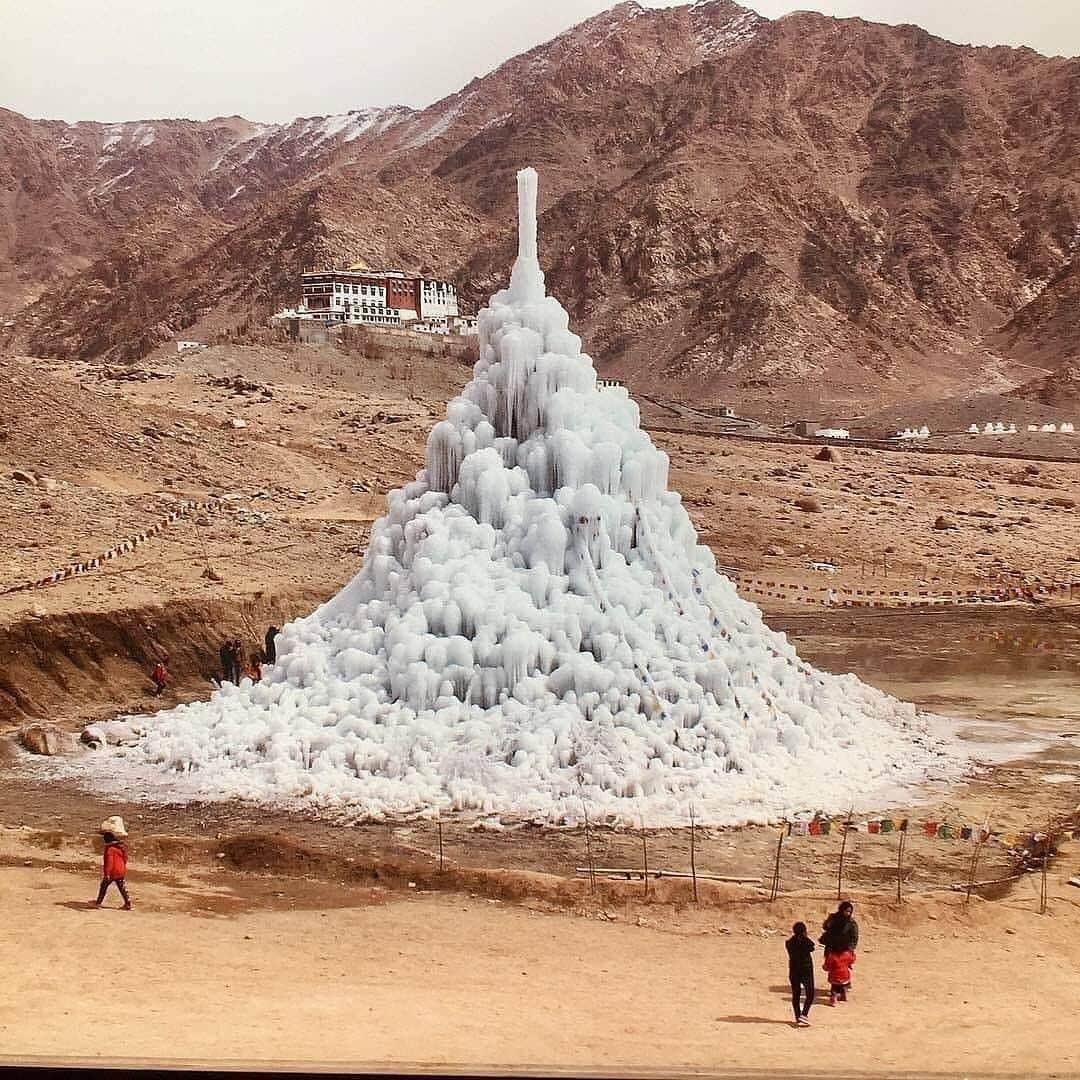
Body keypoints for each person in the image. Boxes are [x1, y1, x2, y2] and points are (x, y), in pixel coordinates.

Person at [92, 816, 132, 910]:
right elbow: (125, 859)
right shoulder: (121, 847)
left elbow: (109, 863)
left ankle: (98, 903)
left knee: (103, 886)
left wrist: (107, 874)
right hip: (121, 871)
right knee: (122, 888)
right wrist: (122, 867)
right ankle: (128, 903)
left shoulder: (109, 850)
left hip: (112, 872)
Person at [785, 921, 815, 1026]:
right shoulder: (805, 943)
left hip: (794, 971)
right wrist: (805, 937)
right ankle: (804, 1014)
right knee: (810, 994)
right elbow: (812, 946)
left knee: (796, 995)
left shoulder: (789, 943)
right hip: (806, 971)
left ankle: (798, 1016)